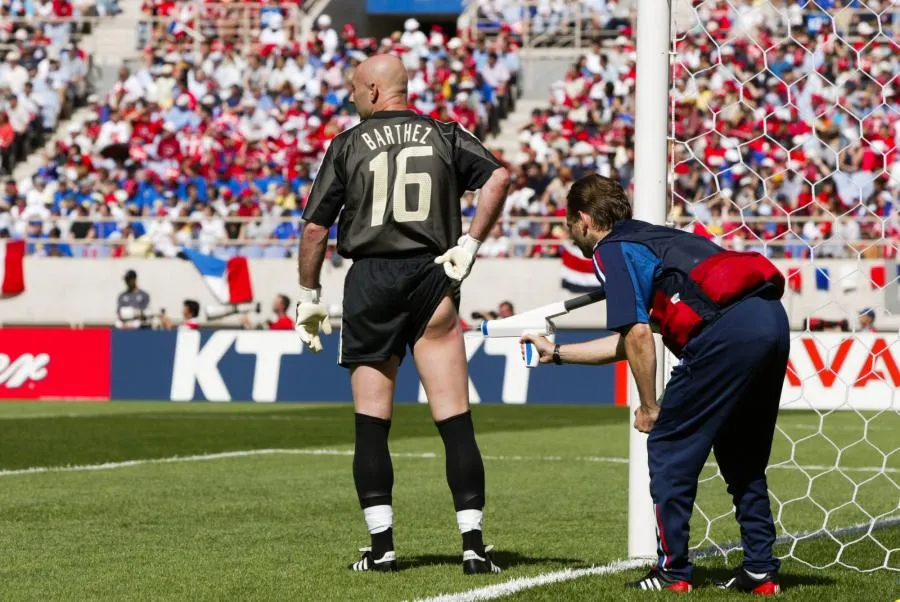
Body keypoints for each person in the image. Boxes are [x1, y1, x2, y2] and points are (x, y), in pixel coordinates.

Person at [521, 174, 788, 595]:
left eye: (570, 225)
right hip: (770, 319)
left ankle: (673, 573)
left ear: (584, 220)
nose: (572, 235)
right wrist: (555, 353)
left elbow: (639, 335)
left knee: (666, 446)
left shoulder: (610, 250)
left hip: (725, 334)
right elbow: (629, 340)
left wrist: (649, 406)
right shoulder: (656, 237)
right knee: (742, 455)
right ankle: (760, 571)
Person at [295, 54, 510, 573]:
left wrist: (308, 293)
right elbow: (499, 177)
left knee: (372, 425)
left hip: (370, 279)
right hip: (432, 274)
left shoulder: (347, 143)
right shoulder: (444, 133)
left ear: (371, 90)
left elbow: (315, 230)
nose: (349, 97)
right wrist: (471, 243)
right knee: (455, 421)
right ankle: (474, 547)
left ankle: (383, 547)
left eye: (352, 88)